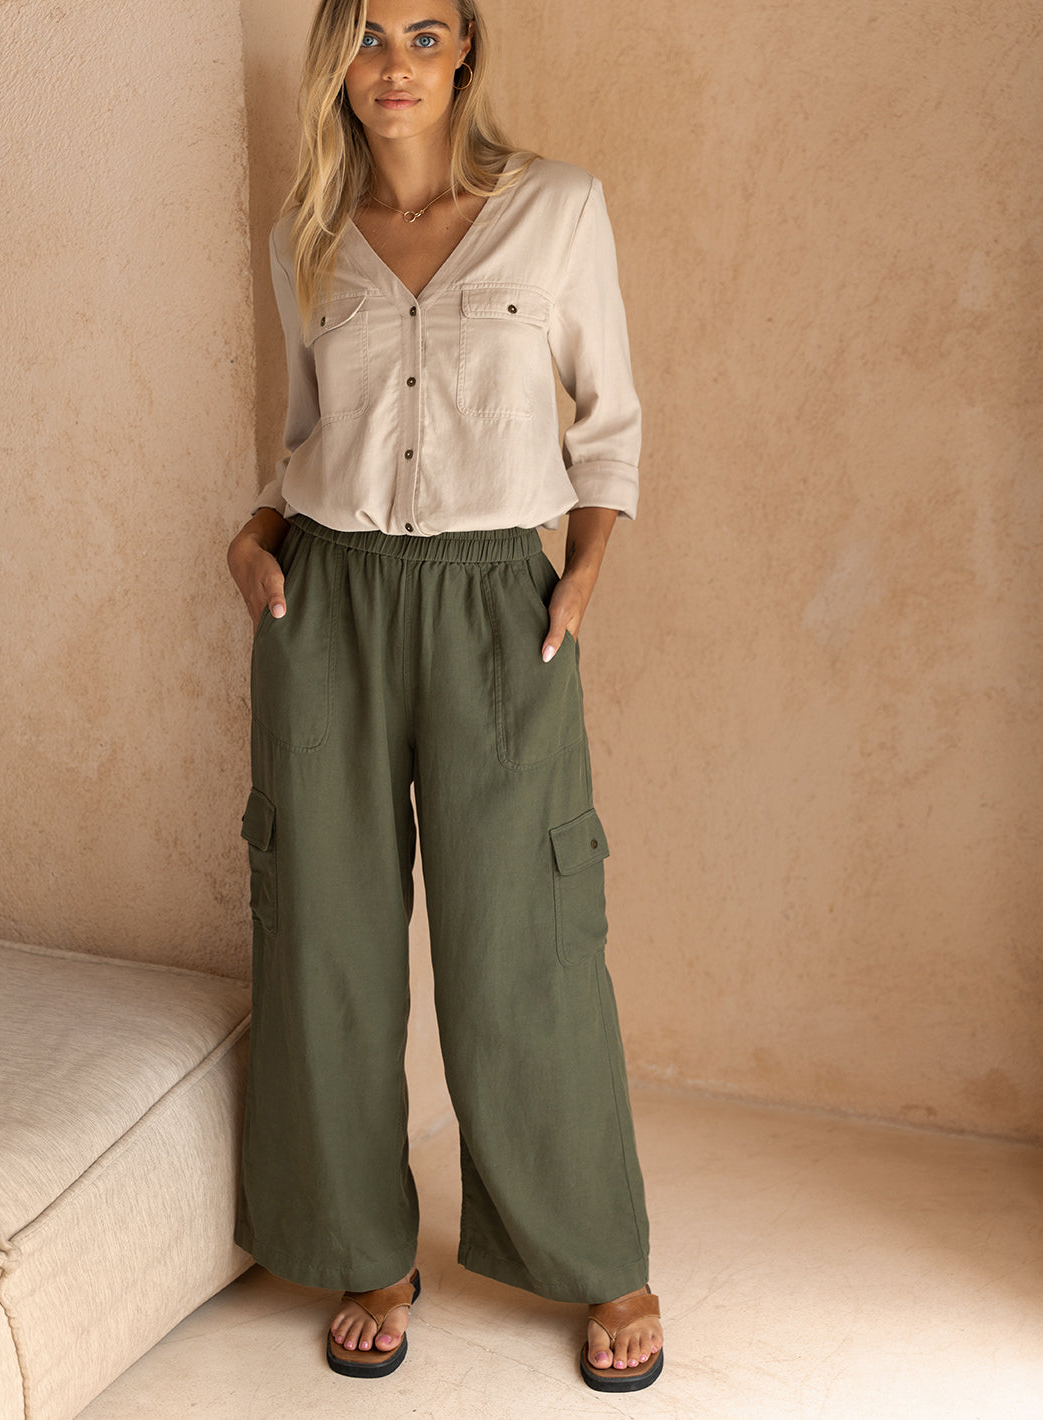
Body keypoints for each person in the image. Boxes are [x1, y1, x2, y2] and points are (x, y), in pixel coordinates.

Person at [227, 0, 664, 1393]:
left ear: (465, 50)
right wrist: (253, 536)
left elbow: (608, 427)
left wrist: (576, 586)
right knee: (327, 931)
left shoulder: (557, 211)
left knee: (523, 932)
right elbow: (308, 437)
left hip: (495, 603)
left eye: (423, 34)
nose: (394, 67)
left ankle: (593, 1252)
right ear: (334, 65)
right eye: (365, 38)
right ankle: (368, 1245)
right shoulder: (305, 236)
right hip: (328, 601)